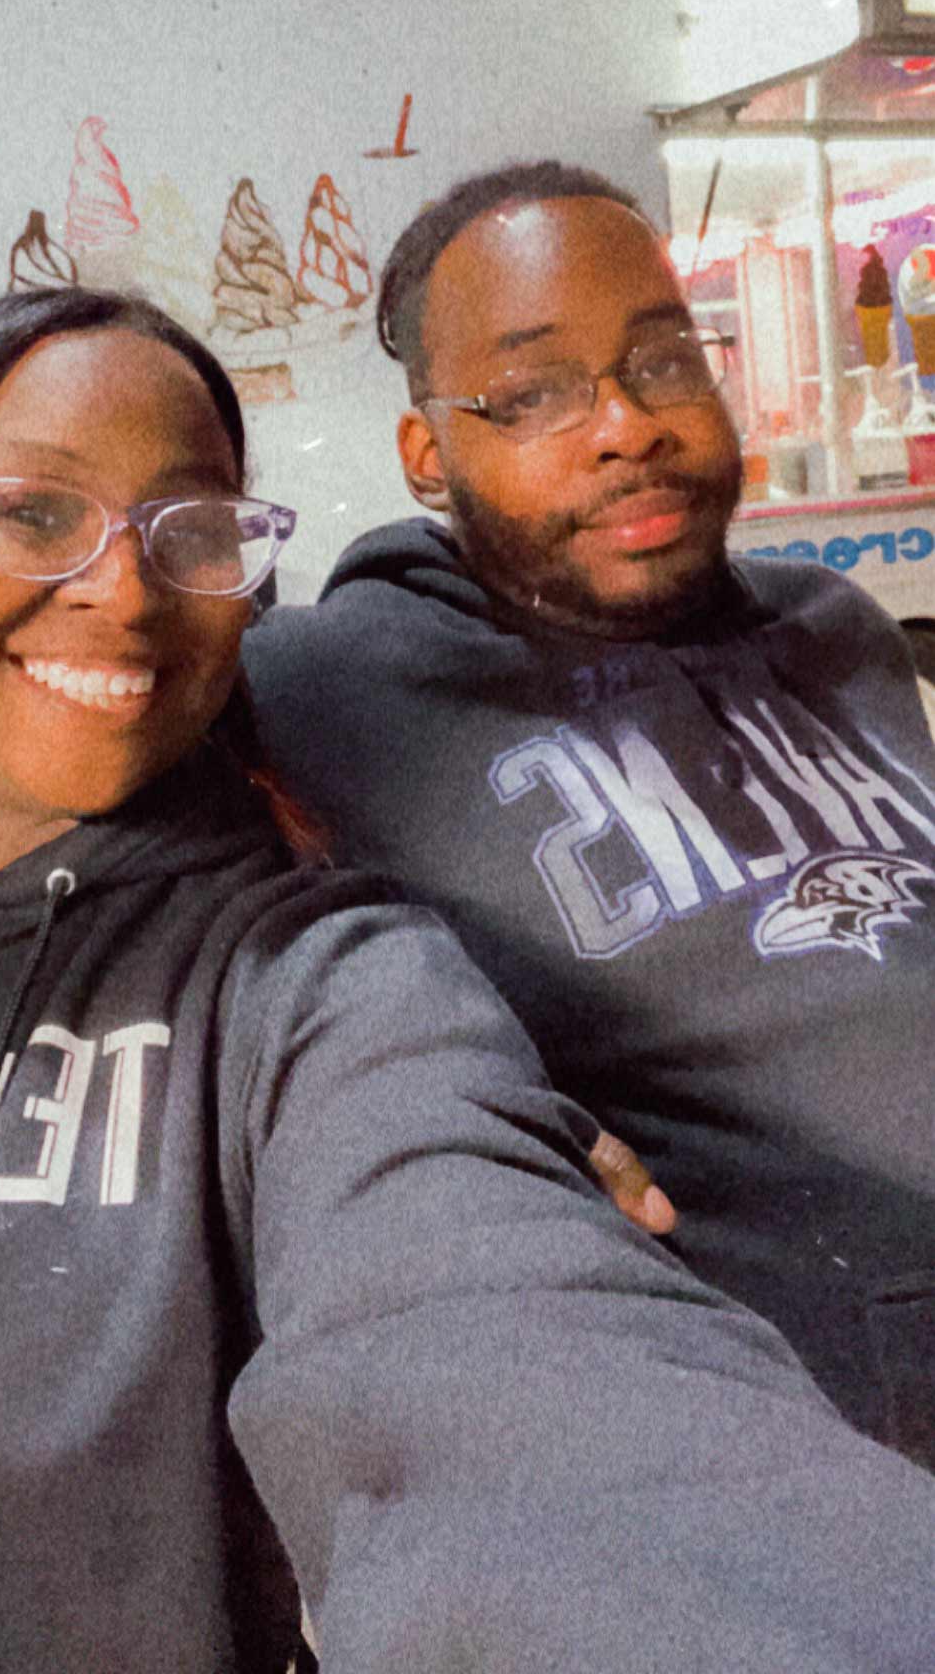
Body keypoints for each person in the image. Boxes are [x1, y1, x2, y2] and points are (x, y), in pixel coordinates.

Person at [0, 295, 935, 1674]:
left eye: (191, 529)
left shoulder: (314, 990)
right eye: (31, 512)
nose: (126, 590)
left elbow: (506, 1367)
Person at [244, 161, 935, 1472]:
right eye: (537, 393)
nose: (626, 423)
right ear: (428, 458)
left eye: (664, 361)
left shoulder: (836, 634)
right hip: (796, 1462)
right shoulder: (320, 693)